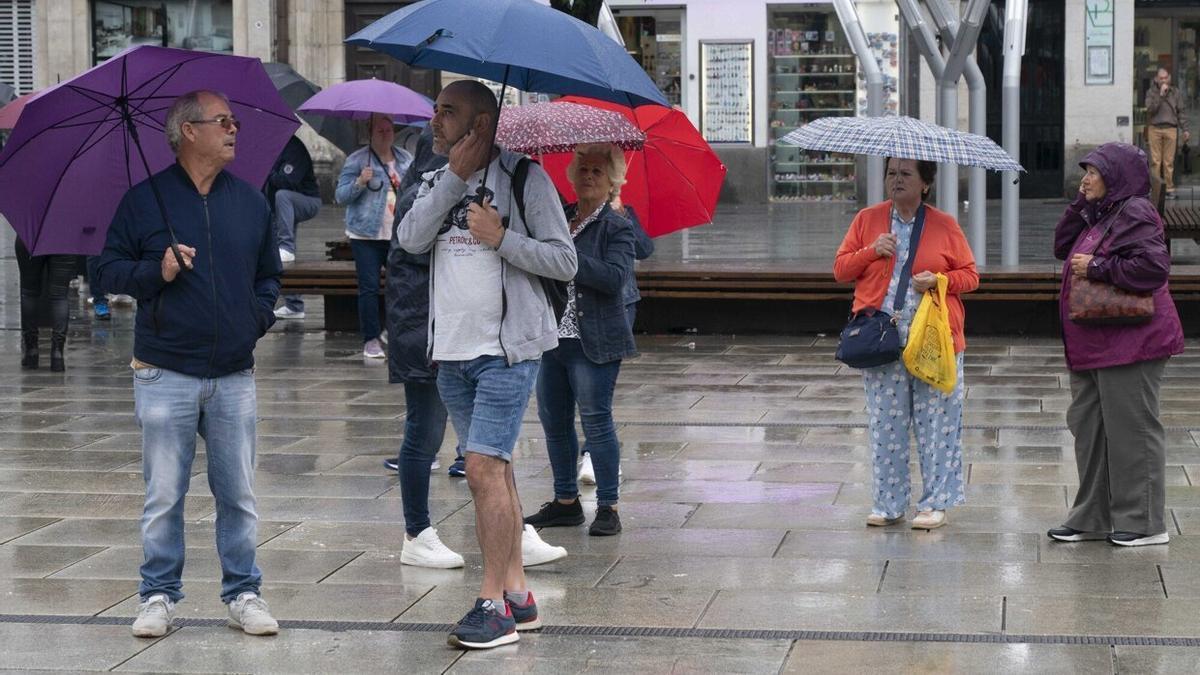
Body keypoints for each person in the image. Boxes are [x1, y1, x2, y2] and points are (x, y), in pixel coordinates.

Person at [397, 80, 577, 649]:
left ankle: (492, 603)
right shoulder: (433, 176)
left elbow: (564, 261)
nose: (434, 119)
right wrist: (454, 178)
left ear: (482, 122)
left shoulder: (526, 177)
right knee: (494, 472)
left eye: (448, 111)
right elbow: (407, 239)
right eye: (435, 109)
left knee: (480, 469)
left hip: (505, 351)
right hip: (450, 352)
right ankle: (521, 597)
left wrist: (502, 238)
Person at [96, 90, 281, 638]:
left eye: (235, 121)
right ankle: (157, 595)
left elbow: (269, 276)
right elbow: (107, 271)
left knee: (239, 494)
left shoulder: (251, 201)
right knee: (163, 496)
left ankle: (244, 591)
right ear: (187, 132)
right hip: (164, 371)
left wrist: (257, 318)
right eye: (222, 121)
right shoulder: (142, 201)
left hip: (233, 374)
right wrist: (159, 272)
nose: (233, 131)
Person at [1048, 142, 1184, 547]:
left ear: (1118, 177)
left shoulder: (1136, 211)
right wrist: (1080, 203)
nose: (1085, 178)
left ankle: (1144, 522)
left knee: (1132, 431)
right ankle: (1092, 515)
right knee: (1090, 431)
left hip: (1132, 342)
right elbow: (1061, 246)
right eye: (1085, 171)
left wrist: (1098, 266)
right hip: (1094, 343)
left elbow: (1153, 267)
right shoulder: (1102, 213)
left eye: (1094, 171)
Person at [833, 158, 979, 531]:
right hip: (882, 340)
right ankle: (888, 503)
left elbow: (970, 276)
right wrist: (871, 251)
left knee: (938, 424)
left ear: (925, 184)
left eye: (905, 174)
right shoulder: (868, 220)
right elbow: (841, 269)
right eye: (891, 173)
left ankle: (935, 503)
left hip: (933, 339)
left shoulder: (945, 225)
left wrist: (939, 280)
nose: (896, 180)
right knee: (886, 424)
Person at [524, 143, 637, 537]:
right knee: (554, 422)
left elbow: (613, 278)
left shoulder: (617, 226)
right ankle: (565, 502)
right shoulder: (560, 218)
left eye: (597, 172)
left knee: (596, 422)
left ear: (611, 183)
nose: (588, 177)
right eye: (583, 169)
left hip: (595, 340)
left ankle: (608, 505)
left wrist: (566, 257)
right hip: (553, 337)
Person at [382, 124, 465, 569]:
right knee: (425, 433)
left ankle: (510, 527)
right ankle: (417, 532)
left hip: (450, 327)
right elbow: (416, 259)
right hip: (426, 332)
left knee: (480, 437)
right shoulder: (426, 191)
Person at [577, 196, 651, 486]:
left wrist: (624, 215)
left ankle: (594, 453)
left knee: (596, 391)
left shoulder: (623, 213)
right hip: (578, 307)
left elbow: (645, 249)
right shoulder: (572, 213)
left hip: (619, 306)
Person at [335, 113, 413, 358]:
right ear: (369, 133)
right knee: (369, 288)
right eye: (379, 131)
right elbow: (340, 196)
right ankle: (370, 339)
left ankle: (393, 330)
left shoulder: (405, 160)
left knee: (400, 286)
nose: (385, 134)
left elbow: (418, 188)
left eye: (389, 130)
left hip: (398, 234)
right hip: (365, 235)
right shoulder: (357, 160)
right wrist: (360, 182)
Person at [267, 134, 322, 320]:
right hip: (280, 207)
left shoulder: (293, 147)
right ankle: (294, 305)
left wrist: (270, 172)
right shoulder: (267, 145)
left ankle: (287, 246)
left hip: (306, 200)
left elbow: (288, 181)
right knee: (277, 254)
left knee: (283, 196)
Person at [15, 237, 74, 371]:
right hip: (65, 239)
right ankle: (57, 353)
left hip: (30, 237)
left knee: (29, 293)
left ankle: (31, 351)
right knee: (60, 296)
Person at [1145, 67, 1190, 199]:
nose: (1164, 80)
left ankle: (1169, 189)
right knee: (1155, 161)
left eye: (1166, 77)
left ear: (1169, 78)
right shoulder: (1151, 92)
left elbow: (1181, 111)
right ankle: (1156, 189)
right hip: (1155, 129)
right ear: (1156, 79)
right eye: (1161, 78)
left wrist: (1185, 129)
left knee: (1168, 161)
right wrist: (1161, 95)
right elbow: (1150, 109)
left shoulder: (1176, 92)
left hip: (1171, 129)